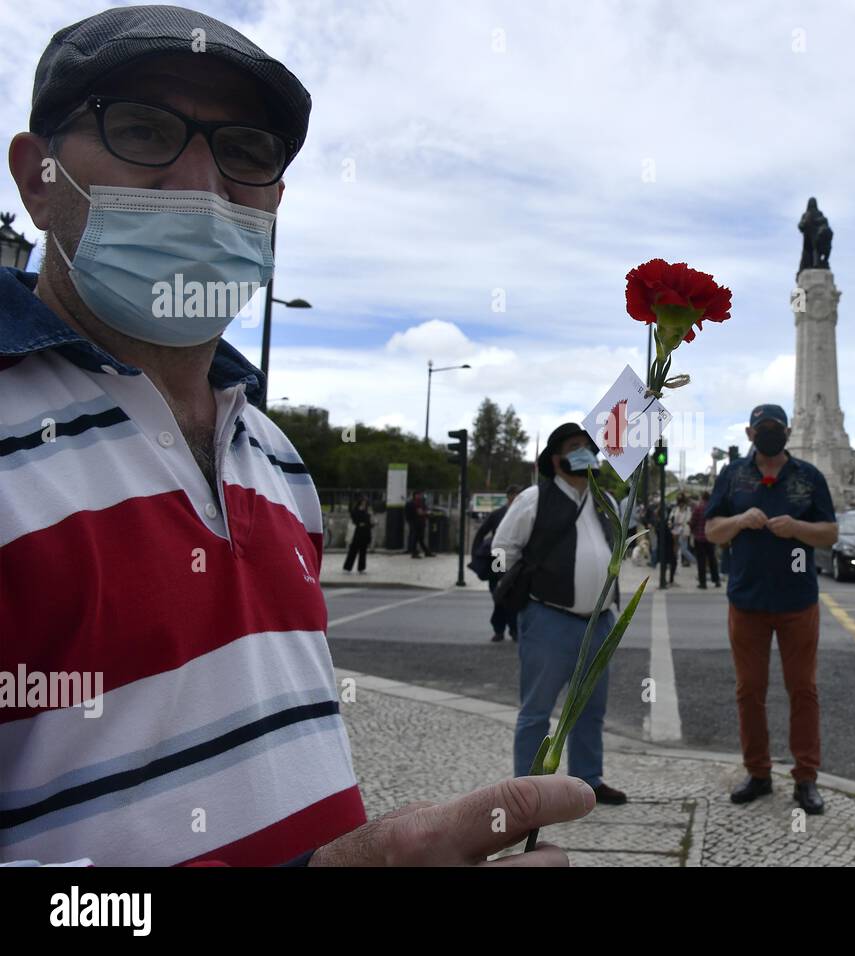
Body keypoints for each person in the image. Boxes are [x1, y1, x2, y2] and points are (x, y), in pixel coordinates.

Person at [0, 4, 592, 867]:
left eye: (244, 151)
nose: (202, 185)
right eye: (140, 128)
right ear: (36, 177)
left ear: (275, 199)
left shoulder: (278, 463)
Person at [705, 404, 838, 815]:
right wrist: (741, 519)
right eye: (762, 429)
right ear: (749, 433)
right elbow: (712, 530)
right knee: (749, 691)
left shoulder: (809, 477)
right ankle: (758, 773)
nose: (769, 434)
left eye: (775, 429)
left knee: (803, 690)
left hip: (798, 601)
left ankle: (806, 777)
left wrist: (796, 528)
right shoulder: (732, 476)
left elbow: (830, 534)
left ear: (789, 430)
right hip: (746, 601)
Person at [492, 423, 628, 805]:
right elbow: (502, 550)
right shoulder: (534, 499)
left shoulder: (608, 503)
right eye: (575, 446)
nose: (585, 452)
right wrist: (522, 588)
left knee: (590, 707)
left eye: (589, 446)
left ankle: (589, 778)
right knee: (537, 710)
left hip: (600, 621)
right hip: (550, 619)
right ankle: (529, 789)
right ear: (557, 458)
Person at [471, 484, 523, 641]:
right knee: (498, 592)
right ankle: (499, 628)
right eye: (514, 495)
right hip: (499, 556)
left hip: (516, 557)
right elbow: (481, 533)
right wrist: (477, 555)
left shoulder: (524, 514)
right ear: (508, 496)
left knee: (514, 595)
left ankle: (514, 629)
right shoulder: (497, 515)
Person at [692, 489, 721, 588]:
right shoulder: (712, 508)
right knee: (712, 559)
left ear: (702, 498)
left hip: (699, 538)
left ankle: (703, 582)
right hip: (710, 537)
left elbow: (693, 521)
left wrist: (693, 530)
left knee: (701, 561)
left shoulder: (698, 508)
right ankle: (716, 580)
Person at [343, 494, 373, 573]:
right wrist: (362, 522)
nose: (364, 504)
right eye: (363, 502)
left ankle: (361, 568)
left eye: (365, 502)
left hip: (365, 533)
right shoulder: (355, 511)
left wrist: (370, 523)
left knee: (363, 552)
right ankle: (347, 567)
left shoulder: (367, 511)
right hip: (357, 533)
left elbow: (368, 522)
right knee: (353, 551)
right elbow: (355, 519)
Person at [405, 490, 430, 558]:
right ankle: (414, 553)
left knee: (420, 538)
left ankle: (426, 551)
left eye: (420, 495)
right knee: (415, 538)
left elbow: (424, 511)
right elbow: (416, 513)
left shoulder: (421, 503)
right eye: (418, 495)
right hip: (414, 523)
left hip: (421, 522)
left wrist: (426, 513)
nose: (419, 496)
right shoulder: (411, 503)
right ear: (415, 495)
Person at [673, 494, 694, 568]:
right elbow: (674, 519)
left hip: (684, 531)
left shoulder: (687, 510)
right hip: (676, 531)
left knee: (684, 549)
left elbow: (688, 522)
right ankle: (675, 562)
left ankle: (694, 561)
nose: (680, 504)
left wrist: (686, 532)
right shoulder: (677, 509)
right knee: (677, 548)